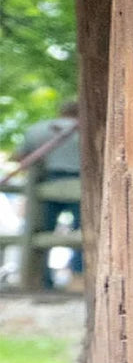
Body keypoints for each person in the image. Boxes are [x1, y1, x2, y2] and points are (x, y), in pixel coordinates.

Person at [17, 101, 81, 288]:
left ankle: (40, 279)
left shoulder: (37, 130)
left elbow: (22, 158)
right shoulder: (86, 129)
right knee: (84, 232)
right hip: (81, 180)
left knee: (40, 230)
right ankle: (78, 278)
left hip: (46, 181)